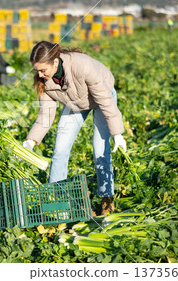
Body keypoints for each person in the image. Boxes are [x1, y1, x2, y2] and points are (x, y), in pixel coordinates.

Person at [22, 41, 127, 215]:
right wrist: (30, 141)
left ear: (55, 63)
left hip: (101, 97)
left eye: (43, 70)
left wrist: (117, 133)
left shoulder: (82, 65)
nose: (39, 75)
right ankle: (55, 203)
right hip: (75, 103)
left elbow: (104, 99)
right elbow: (45, 115)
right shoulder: (45, 82)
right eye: (37, 71)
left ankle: (107, 201)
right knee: (59, 150)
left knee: (100, 150)